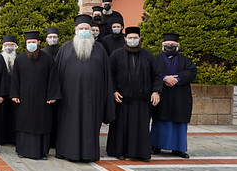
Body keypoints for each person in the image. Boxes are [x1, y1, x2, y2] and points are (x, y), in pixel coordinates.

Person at [50, 15, 115, 162]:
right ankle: (67, 152)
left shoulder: (100, 49)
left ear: (92, 31)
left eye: (87, 29)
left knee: (90, 125)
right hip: (69, 99)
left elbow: (106, 76)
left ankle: (89, 154)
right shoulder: (65, 48)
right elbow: (57, 74)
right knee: (68, 125)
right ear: (75, 31)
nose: (84, 31)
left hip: (93, 98)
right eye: (81, 29)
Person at [106, 26, 163, 161]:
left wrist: (156, 91)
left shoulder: (148, 55)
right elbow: (110, 75)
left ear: (139, 39)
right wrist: (113, 91)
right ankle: (119, 151)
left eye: (135, 38)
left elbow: (157, 75)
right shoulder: (116, 54)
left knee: (140, 128)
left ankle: (139, 153)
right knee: (120, 127)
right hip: (122, 99)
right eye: (130, 38)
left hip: (142, 100)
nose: (132, 40)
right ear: (125, 39)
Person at [10, 31, 56, 160]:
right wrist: (14, 94)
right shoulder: (19, 59)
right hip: (23, 99)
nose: (31, 44)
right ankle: (22, 150)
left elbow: (53, 78)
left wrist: (52, 95)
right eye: (29, 42)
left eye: (33, 42)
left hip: (42, 100)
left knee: (41, 124)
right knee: (23, 124)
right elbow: (15, 79)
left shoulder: (48, 59)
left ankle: (41, 152)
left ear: (39, 43)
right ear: (25, 44)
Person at [151, 33, 197, 158]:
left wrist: (178, 79)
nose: (169, 46)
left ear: (178, 47)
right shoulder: (155, 59)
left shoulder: (185, 60)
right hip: (162, 94)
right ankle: (156, 146)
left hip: (180, 96)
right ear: (162, 46)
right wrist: (164, 78)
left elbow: (192, 71)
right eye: (167, 45)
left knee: (179, 122)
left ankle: (178, 148)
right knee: (160, 120)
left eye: (172, 45)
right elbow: (150, 72)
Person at [0, 35, 19, 145]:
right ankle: (2, 138)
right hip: (3, 93)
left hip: (16, 93)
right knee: (2, 116)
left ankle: (14, 139)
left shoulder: (20, 58)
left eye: (11, 45)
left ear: (15, 46)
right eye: (6, 45)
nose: (8, 47)